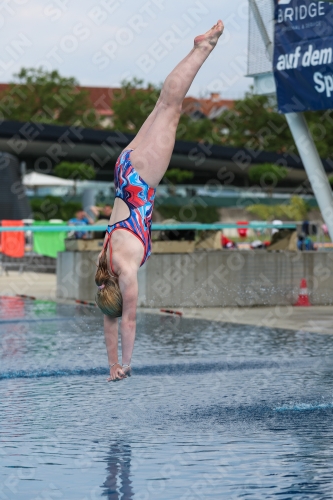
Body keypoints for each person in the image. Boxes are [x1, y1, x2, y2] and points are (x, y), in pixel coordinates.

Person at [95, 21, 224, 382]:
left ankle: (203, 48)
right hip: (123, 173)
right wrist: (111, 366)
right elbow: (110, 320)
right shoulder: (103, 270)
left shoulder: (126, 272)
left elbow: (129, 319)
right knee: (164, 105)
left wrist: (127, 363)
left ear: (120, 291)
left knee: (171, 107)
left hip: (140, 181)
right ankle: (199, 49)